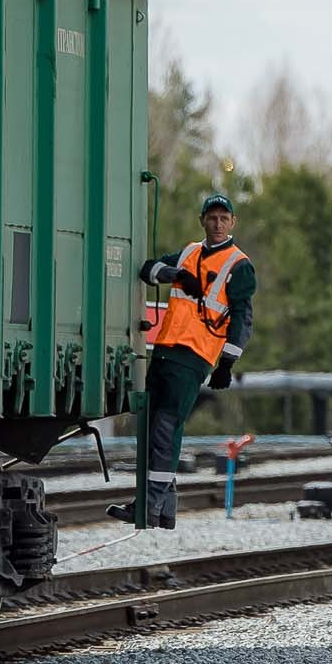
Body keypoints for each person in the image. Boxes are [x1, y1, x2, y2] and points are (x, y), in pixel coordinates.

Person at [109, 194, 255, 529]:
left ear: (233, 222)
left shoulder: (239, 264)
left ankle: (147, 506)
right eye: (212, 217)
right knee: (150, 426)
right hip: (165, 349)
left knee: (165, 426)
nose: (217, 224)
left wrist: (227, 363)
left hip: (194, 355)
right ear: (202, 220)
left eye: (223, 218)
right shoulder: (189, 252)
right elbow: (148, 269)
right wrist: (177, 273)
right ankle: (164, 509)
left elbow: (243, 318)